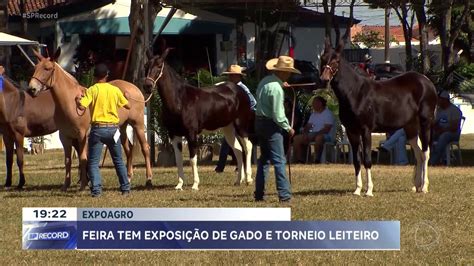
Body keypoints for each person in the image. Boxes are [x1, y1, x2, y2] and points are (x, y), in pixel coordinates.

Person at [75, 64, 131, 197]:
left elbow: (82, 108)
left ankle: (96, 190)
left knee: (93, 162)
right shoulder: (115, 90)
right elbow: (128, 106)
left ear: (94, 77)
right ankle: (125, 188)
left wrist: (78, 100)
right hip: (113, 129)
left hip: (98, 129)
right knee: (118, 160)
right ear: (106, 76)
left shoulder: (92, 90)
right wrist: (126, 96)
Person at [254, 55, 300, 203]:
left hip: (259, 123)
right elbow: (278, 115)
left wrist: (281, 85)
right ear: (283, 72)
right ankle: (285, 195)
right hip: (271, 125)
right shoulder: (277, 89)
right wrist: (288, 128)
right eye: (288, 72)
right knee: (279, 161)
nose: (290, 74)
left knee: (264, 160)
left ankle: (259, 194)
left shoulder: (265, 82)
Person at [215, 65, 256, 173]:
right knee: (228, 142)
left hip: (241, 119)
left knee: (242, 142)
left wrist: (243, 112)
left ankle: (240, 166)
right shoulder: (228, 88)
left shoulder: (243, 89)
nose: (230, 78)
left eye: (232, 76)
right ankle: (222, 166)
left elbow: (252, 102)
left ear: (238, 77)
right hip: (231, 119)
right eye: (229, 76)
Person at [292, 96, 335, 163]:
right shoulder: (313, 114)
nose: (312, 105)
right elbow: (308, 126)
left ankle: (317, 159)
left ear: (320, 103)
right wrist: (305, 133)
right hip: (313, 135)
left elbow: (326, 129)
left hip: (327, 136)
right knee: (297, 138)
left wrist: (314, 134)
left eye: (314, 103)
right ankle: (300, 160)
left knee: (319, 138)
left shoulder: (328, 113)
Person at [429, 90, 463, 165]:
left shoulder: (455, 111)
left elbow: (454, 127)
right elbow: (434, 123)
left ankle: (433, 161)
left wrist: (442, 130)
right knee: (428, 135)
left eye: (439, 99)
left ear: (444, 100)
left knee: (444, 136)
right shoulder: (439, 110)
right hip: (440, 131)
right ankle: (423, 158)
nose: (438, 101)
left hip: (452, 133)